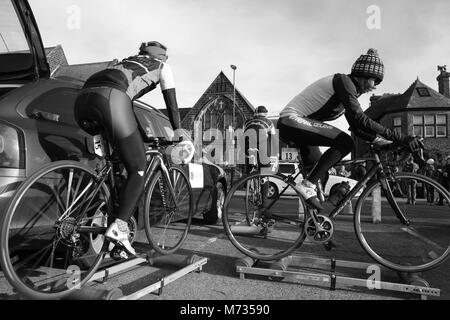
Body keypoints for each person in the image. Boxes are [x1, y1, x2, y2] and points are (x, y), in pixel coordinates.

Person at [277, 48, 423, 210]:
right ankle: (307, 185)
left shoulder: (348, 90)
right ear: (363, 75)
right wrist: (400, 137)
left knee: (320, 175)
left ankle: (314, 224)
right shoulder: (344, 82)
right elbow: (360, 118)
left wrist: (383, 142)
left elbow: (356, 127)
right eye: (374, 80)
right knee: (345, 142)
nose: (374, 86)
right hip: (291, 120)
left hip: (299, 124)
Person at [74, 41, 181, 257]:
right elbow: (172, 104)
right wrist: (178, 131)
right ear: (162, 56)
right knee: (138, 167)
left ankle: (100, 229)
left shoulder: (124, 63)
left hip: (82, 101)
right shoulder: (161, 66)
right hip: (111, 101)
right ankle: (119, 228)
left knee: (115, 167)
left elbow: (127, 107)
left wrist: (142, 135)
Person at [243, 106, 276, 214]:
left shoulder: (247, 121)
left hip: (248, 145)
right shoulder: (269, 122)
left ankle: (248, 180)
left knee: (248, 159)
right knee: (265, 172)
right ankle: (265, 203)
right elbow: (273, 139)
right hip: (262, 146)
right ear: (265, 114)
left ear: (255, 113)